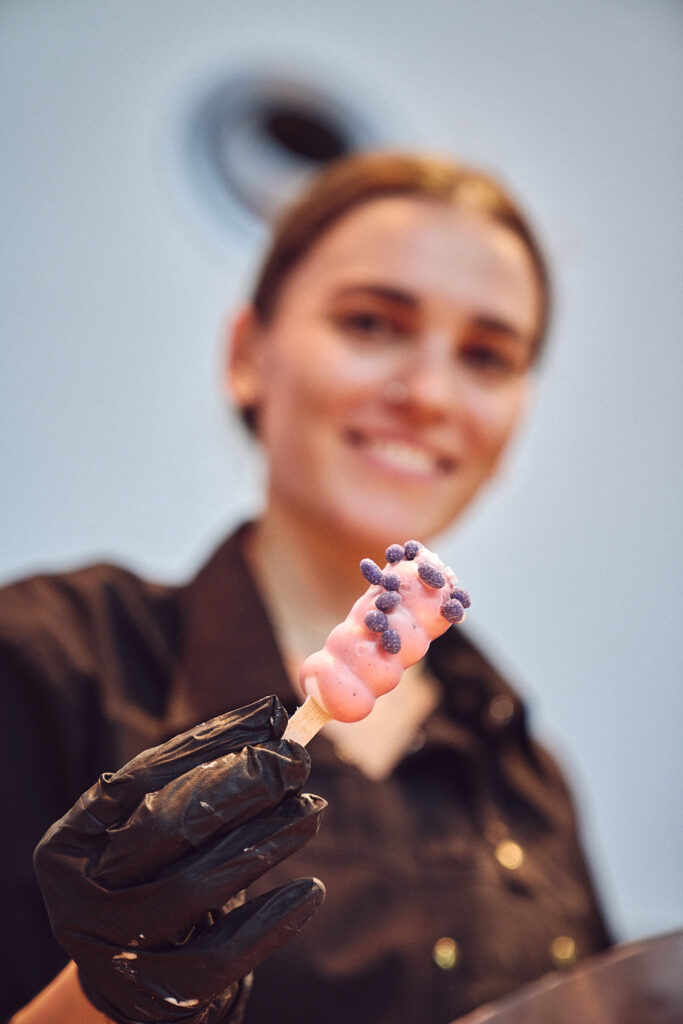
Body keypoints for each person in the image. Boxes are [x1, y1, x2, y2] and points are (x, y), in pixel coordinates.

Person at [1, 150, 612, 1024]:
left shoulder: (518, 763)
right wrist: (111, 992)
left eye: (486, 355)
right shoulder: (50, 658)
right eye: (370, 323)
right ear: (249, 354)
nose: (431, 393)